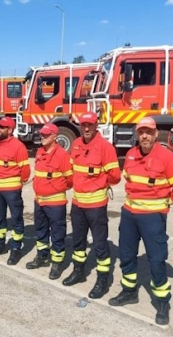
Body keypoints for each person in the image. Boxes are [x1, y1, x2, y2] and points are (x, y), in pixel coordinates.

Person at [108, 117, 173, 326]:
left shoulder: (166, 157)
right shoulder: (132, 154)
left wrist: (164, 204)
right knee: (126, 255)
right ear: (137, 133)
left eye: (149, 132)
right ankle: (129, 291)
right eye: (141, 131)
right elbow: (128, 179)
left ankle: (162, 302)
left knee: (156, 260)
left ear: (155, 134)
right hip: (129, 215)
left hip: (153, 217)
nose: (144, 135)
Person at [63, 112, 121, 300]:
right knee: (78, 241)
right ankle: (78, 271)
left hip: (96, 205)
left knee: (99, 244)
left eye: (90, 125)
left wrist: (99, 183)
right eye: (83, 125)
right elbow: (72, 170)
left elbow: (115, 176)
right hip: (78, 204)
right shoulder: (77, 144)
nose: (86, 128)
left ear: (96, 125)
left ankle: (102, 280)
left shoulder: (106, 148)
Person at [26, 123, 73, 279]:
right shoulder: (40, 152)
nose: (43, 137)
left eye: (46, 135)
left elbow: (70, 180)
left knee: (57, 234)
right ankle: (42, 256)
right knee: (41, 231)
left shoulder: (62, 155)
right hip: (39, 201)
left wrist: (54, 189)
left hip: (55, 203)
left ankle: (57, 263)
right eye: (42, 134)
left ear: (55, 136)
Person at [0, 117, 30, 265]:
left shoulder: (18, 147)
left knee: (16, 220)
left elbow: (25, 172)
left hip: (11, 191)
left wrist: (15, 184)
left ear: (10, 130)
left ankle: (16, 249)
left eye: (2, 127)